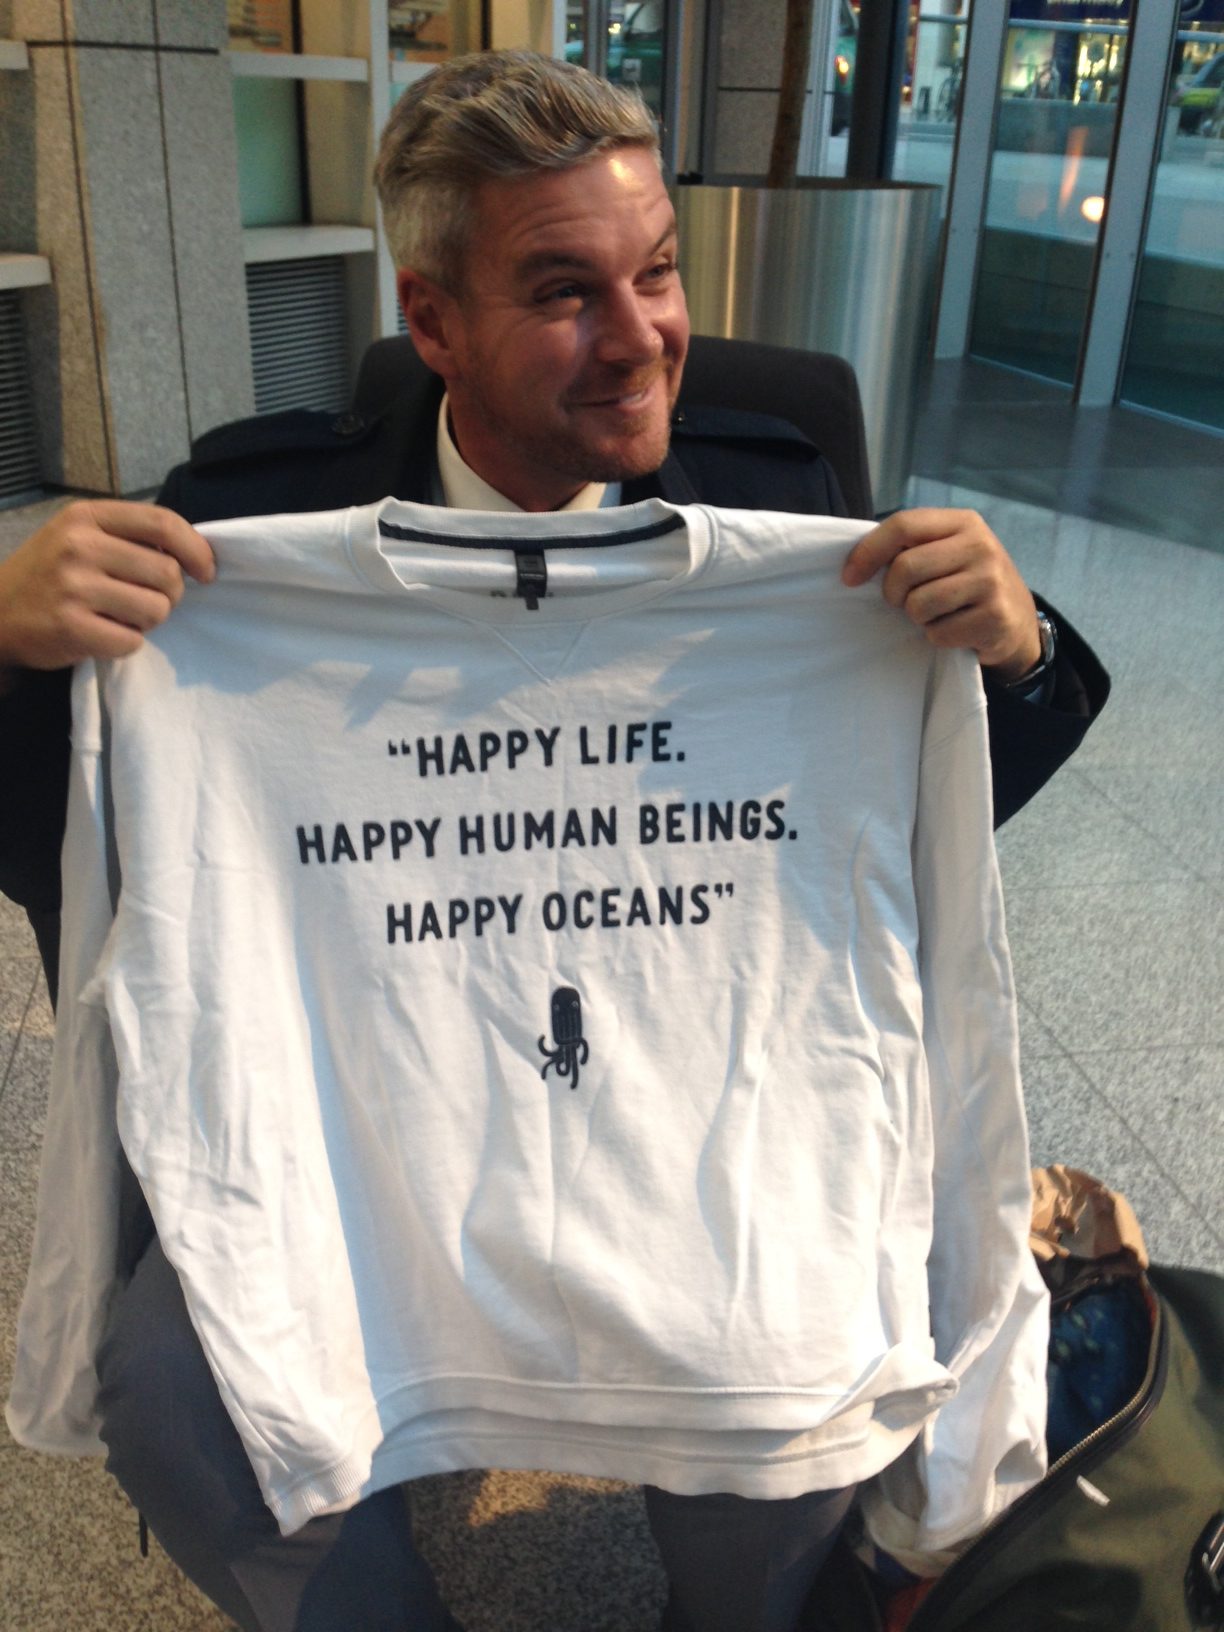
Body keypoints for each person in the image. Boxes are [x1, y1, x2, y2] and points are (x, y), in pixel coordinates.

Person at [0, 49, 1107, 1632]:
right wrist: (10, 647)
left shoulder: (786, 511)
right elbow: (82, 847)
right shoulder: (242, 548)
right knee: (175, 1383)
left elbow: (904, 820)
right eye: (566, 291)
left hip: (699, 1112)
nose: (643, 335)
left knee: (814, 1334)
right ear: (431, 321)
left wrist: (1012, 651)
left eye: (656, 271)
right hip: (365, 1123)